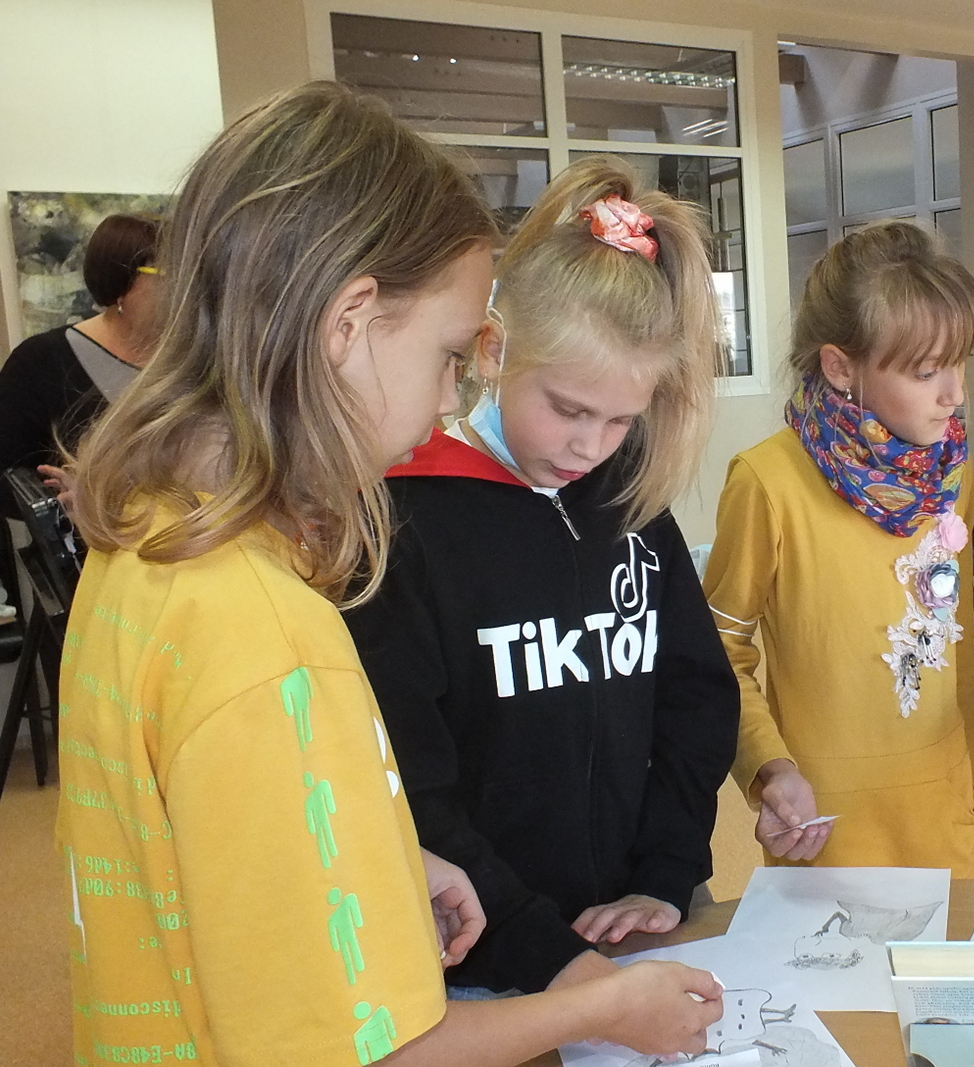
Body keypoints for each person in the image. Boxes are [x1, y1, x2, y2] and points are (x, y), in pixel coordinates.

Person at [58, 83, 719, 1067]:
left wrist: (387, 850)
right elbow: (366, 1049)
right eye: (451, 354)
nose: (453, 395)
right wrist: (599, 1004)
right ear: (350, 320)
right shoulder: (272, 641)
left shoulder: (151, 539)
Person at [343, 156, 739, 998]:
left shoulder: (629, 501)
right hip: (482, 953)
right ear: (493, 351)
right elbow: (410, 775)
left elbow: (697, 700)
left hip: (639, 920)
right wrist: (541, 950)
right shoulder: (405, 517)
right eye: (566, 408)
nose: (589, 446)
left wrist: (666, 873)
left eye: (621, 419)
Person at [702, 221, 974, 875]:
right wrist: (769, 767)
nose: (955, 393)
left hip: (946, 817)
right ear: (840, 367)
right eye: (926, 371)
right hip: (829, 828)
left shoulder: (954, 474)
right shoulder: (766, 482)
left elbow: (956, 653)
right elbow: (720, 652)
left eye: (960, 362)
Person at [0, 212, 160, 516]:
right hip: (87, 544)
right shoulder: (39, 361)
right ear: (122, 281)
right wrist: (66, 499)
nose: (187, 290)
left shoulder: (198, 359)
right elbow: (8, 477)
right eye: (168, 273)